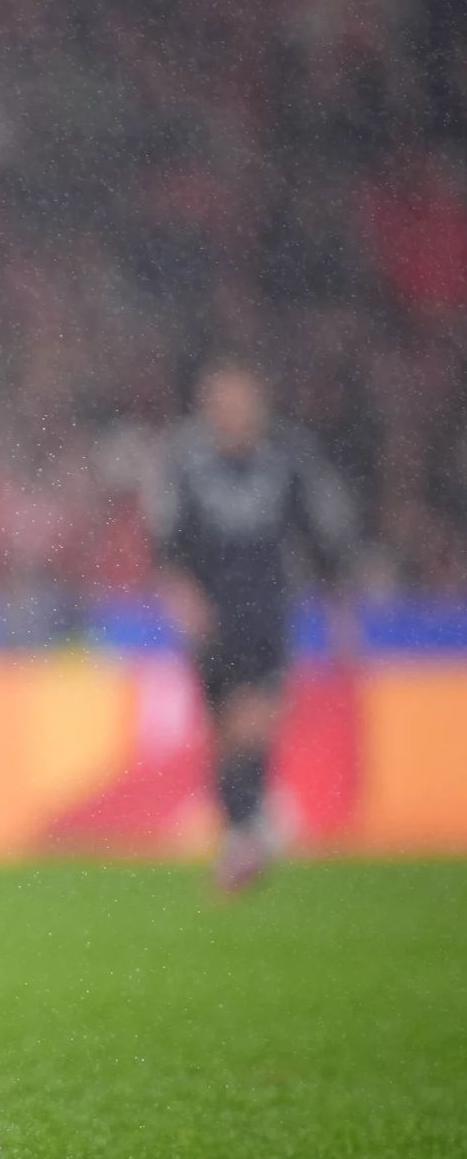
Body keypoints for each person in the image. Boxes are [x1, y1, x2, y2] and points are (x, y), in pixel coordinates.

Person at [148, 356, 356, 893]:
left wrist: (337, 612)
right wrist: (183, 597)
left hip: (265, 613)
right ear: (209, 409)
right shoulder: (186, 463)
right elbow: (166, 542)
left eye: (243, 404)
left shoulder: (289, 459)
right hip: (213, 618)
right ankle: (243, 831)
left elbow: (321, 535)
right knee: (225, 731)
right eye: (223, 405)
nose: (235, 416)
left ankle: (245, 835)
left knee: (252, 718)